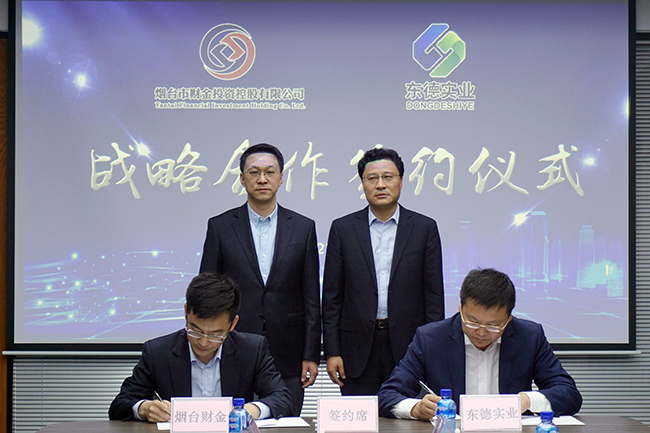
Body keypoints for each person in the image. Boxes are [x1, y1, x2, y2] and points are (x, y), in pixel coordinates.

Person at [199, 143, 320, 415]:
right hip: (233, 346)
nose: (262, 179)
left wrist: (311, 354)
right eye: (254, 172)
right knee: (232, 422)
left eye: (270, 172)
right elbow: (207, 291)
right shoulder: (220, 226)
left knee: (284, 422)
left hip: (289, 352)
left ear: (281, 178)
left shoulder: (303, 227)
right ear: (242, 179)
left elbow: (311, 297)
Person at [377, 268, 582, 420]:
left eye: (493, 325)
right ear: (460, 308)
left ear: (509, 318)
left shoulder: (529, 336)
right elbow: (388, 394)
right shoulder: (431, 338)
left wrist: (527, 400)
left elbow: (569, 394)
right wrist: (415, 409)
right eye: (472, 322)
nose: (482, 332)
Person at [322, 147, 444, 396]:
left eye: (388, 177)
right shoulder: (343, 229)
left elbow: (433, 297)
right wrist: (332, 351)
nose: (380, 184)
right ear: (362, 183)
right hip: (355, 349)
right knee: (360, 415)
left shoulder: (424, 228)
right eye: (372, 178)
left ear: (401, 180)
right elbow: (332, 297)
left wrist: (431, 351)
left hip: (409, 347)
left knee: (407, 413)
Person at [108, 273, 294, 422]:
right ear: (185, 312)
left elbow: (283, 399)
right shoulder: (158, 352)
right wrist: (144, 408)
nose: (203, 342)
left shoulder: (252, 350)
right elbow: (120, 405)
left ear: (233, 324)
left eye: (215, 335)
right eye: (195, 330)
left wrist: (249, 411)